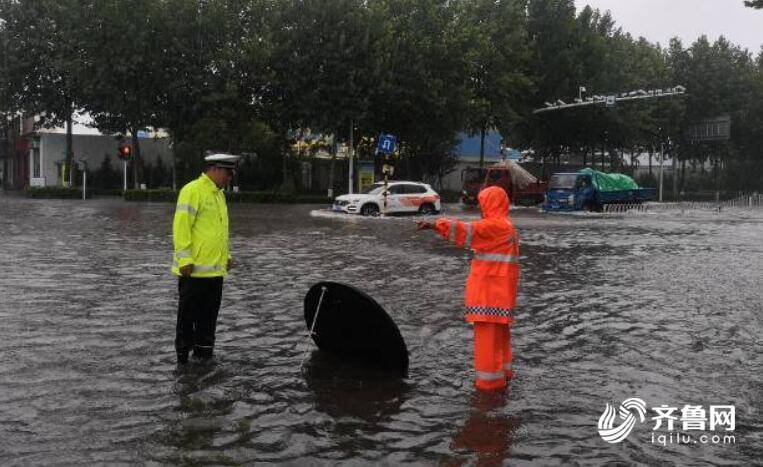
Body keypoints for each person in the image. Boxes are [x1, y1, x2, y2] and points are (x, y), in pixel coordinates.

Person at [417, 186, 520, 391]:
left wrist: (435, 224)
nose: (481, 208)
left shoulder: (495, 226)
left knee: (487, 345)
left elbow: (466, 230)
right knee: (499, 340)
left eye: (483, 204)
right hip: (499, 295)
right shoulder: (507, 226)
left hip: (488, 295)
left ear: (490, 204)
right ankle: (504, 377)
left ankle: (488, 387)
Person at [171, 153, 240, 363]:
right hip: (193, 272)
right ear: (215, 169)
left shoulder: (219, 195)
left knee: (209, 319)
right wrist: (184, 260)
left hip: (215, 272)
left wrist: (226, 256)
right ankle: (182, 359)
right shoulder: (192, 190)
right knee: (187, 318)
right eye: (228, 173)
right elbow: (181, 227)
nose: (230, 178)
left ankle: (204, 356)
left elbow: (219, 231)